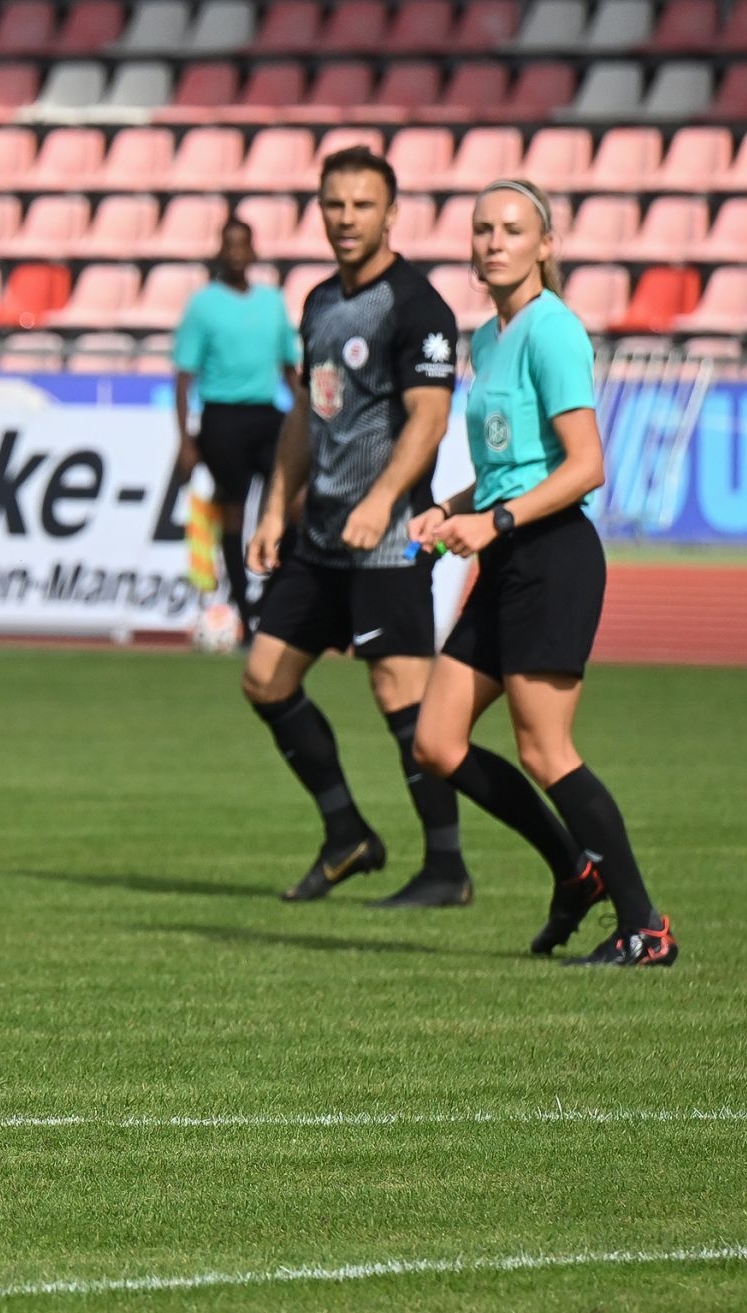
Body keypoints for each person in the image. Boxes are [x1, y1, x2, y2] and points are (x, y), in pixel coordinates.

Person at [409, 180, 678, 966]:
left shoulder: (553, 330)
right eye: (482, 229)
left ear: (545, 245)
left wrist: (492, 522)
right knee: (436, 742)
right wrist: (449, 507)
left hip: (552, 554)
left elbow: (587, 466)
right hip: (506, 554)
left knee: (546, 750)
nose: (494, 241)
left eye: (512, 229)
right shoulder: (490, 337)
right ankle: (573, 870)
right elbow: (508, 470)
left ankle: (645, 927)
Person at [242, 147, 472, 907]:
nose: (346, 219)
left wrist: (382, 500)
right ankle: (347, 833)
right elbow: (307, 414)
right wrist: (276, 506)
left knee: (401, 694)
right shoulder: (317, 303)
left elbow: (429, 419)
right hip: (321, 537)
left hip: (389, 536)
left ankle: (446, 868)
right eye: (334, 205)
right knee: (265, 678)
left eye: (362, 205)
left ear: (391, 212)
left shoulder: (418, 307)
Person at [173, 218, 302, 637]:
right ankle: (245, 609)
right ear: (219, 251)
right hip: (222, 416)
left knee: (296, 501)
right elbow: (184, 377)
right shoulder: (203, 305)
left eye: (241, 245)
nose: (234, 253)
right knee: (233, 508)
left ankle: (269, 598)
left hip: (267, 413)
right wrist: (185, 440)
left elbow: (289, 368)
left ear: (253, 251)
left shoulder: (272, 302)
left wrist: (310, 416)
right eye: (228, 245)